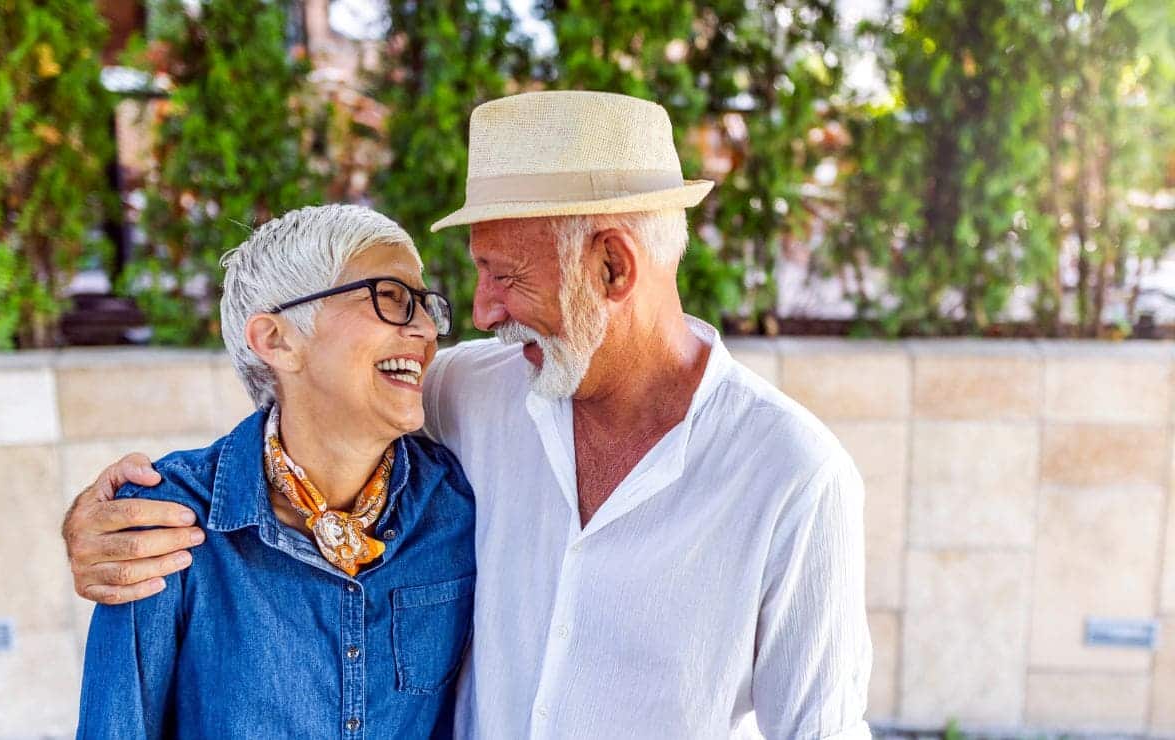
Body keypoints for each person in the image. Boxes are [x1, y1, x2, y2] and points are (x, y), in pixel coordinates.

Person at [65, 91, 871, 738]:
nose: (475, 314)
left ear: (613, 266)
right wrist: (100, 519)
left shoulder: (793, 475)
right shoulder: (475, 394)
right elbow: (314, 403)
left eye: (505, 276)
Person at [75, 204, 476, 739]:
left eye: (427, 306)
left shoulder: (459, 502)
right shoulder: (168, 519)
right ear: (276, 339)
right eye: (392, 299)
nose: (426, 330)